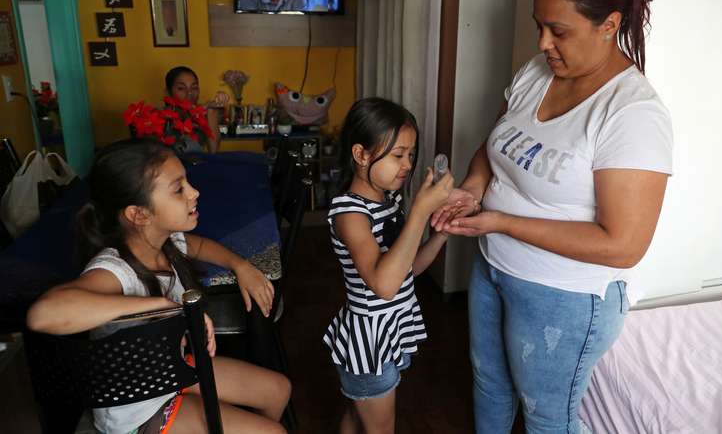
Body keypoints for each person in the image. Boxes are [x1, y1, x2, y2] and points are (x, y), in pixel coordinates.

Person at [431, 0, 673, 433]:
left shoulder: (633, 115)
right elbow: (497, 144)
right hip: (493, 268)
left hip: (562, 298)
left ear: (609, 24)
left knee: (547, 418)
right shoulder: (537, 73)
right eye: (539, 26)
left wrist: (500, 221)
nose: (543, 43)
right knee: (489, 384)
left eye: (558, 31)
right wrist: (475, 187)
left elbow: (623, 246)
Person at [26, 138, 291, 434]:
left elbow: (199, 245)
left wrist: (241, 266)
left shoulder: (165, 243)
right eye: (179, 189)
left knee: (278, 389)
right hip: (139, 408)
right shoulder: (117, 270)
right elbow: (43, 314)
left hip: (168, 370)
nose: (194, 193)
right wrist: (167, 308)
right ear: (139, 215)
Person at [323, 97, 453, 434]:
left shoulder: (388, 201)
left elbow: (407, 270)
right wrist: (420, 213)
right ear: (361, 154)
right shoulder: (350, 214)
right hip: (369, 341)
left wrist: (439, 235)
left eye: (410, 154)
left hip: (391, 330)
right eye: (397, 155)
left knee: (358, 414)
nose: (407, 164)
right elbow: (383, 284)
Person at [165, 66, 229, 153]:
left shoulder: (203, 114)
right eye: (181, 88)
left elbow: (214, 151)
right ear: (168, 92)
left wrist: (211, 111)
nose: (189, 93)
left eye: (194, 87)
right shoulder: (158, 117)